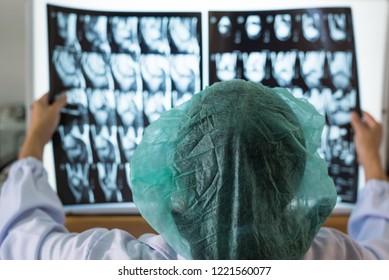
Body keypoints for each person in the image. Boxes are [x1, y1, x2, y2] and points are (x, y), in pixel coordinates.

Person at [0, 80, 388, 259]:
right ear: (294, 190)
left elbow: (18, 237)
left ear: (174, 191)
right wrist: (372, 162)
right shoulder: (337, 261)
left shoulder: (109, 263)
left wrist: (34, 140)